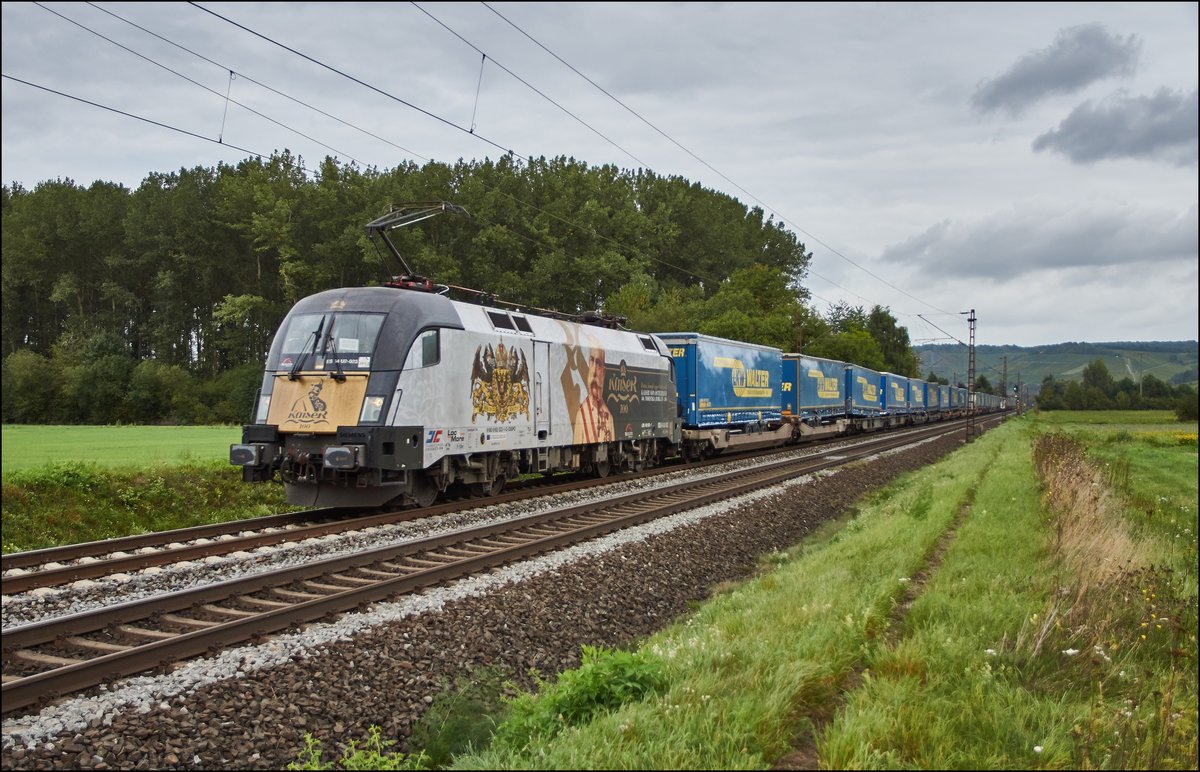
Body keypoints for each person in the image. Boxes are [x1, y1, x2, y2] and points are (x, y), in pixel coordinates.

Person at [573, 344, 615, 443]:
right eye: (592, 361)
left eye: (598, 363)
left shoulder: (609, 417)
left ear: (603, 372)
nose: (594, 371)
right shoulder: (582, 415)